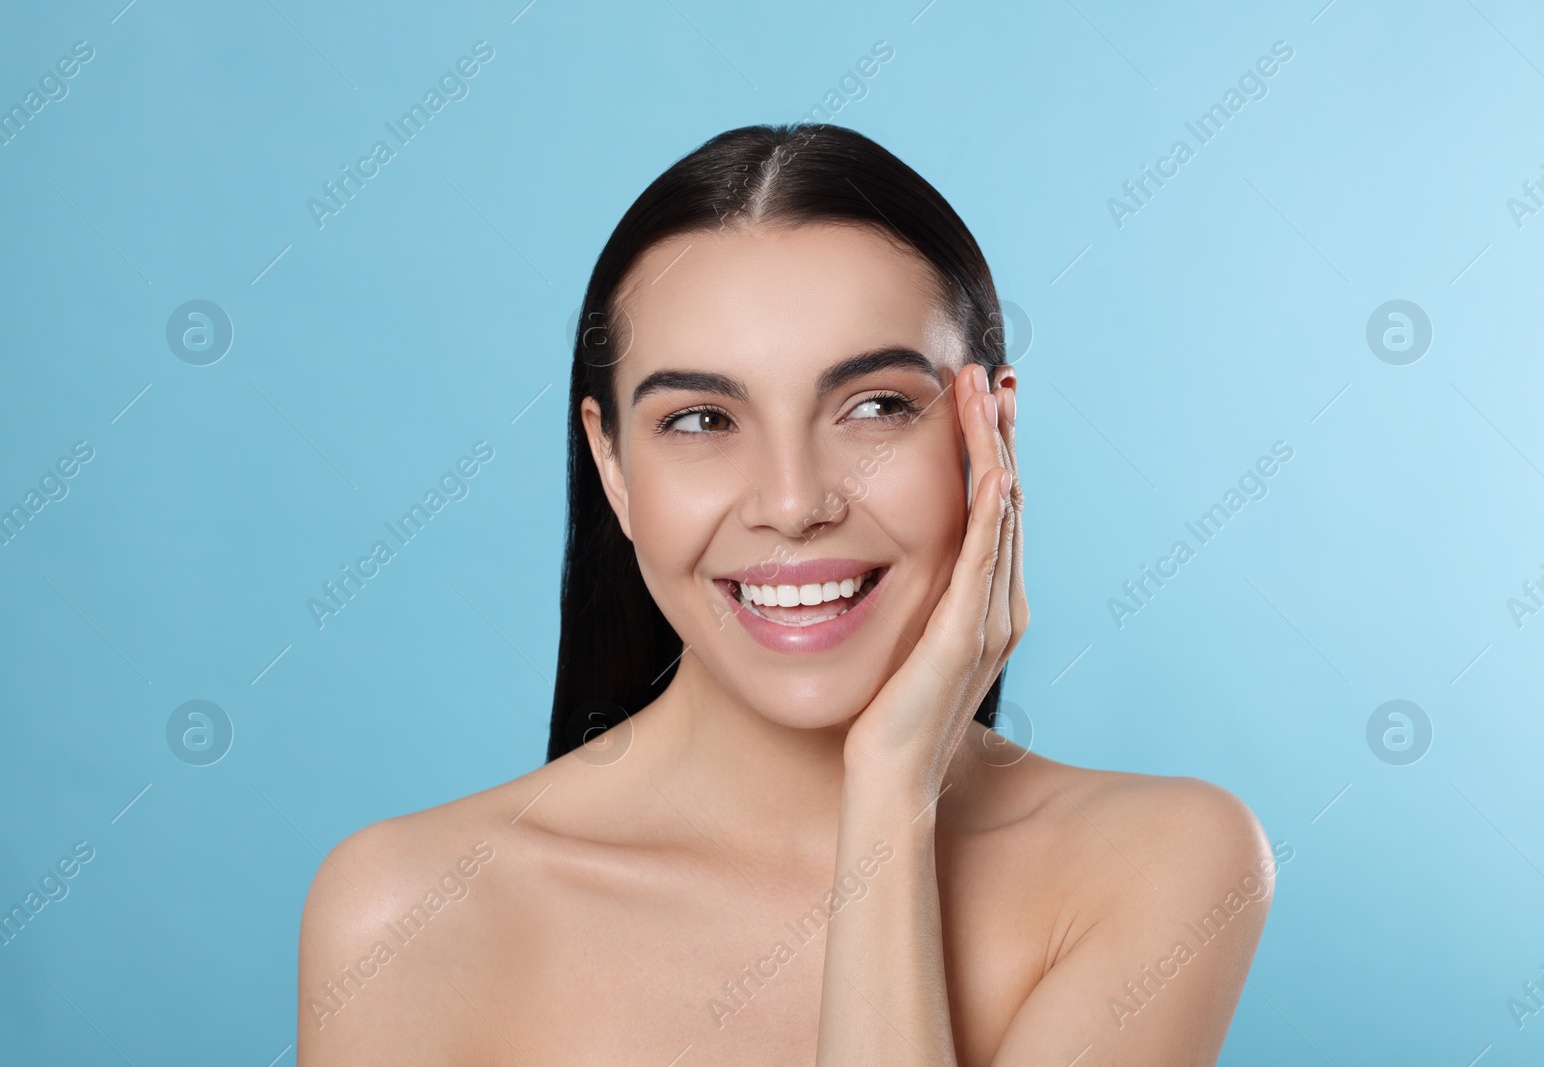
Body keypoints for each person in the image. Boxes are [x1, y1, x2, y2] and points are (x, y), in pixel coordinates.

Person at [298, 122, 1275, 1065]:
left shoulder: (1159, 863)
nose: (794, 501)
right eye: (700, 419)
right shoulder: (409, 908)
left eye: (876, 405)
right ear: (612, 462)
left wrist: (890, 790)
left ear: (992, 438)